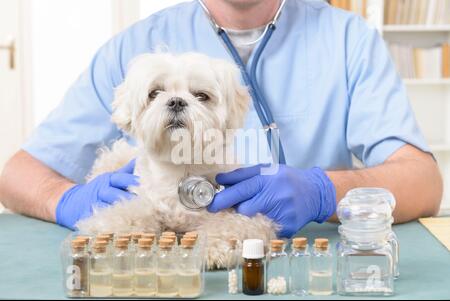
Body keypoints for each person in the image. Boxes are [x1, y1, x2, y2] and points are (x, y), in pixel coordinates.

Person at [0, 0, 443, 237]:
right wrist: (66, 200)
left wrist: (324, 191)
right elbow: (18, 175)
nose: (175, 102)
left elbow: (423, 184)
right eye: (160, 94)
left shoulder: (349, 40)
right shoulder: (134, 46)